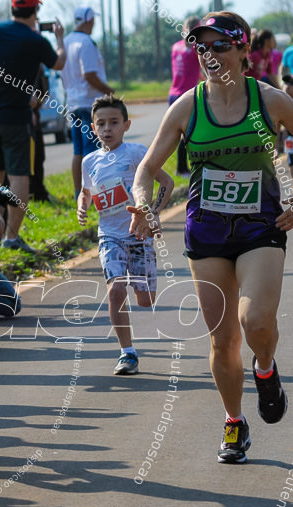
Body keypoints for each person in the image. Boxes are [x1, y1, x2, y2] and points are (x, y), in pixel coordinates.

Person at [130, 11, 293, 464]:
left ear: (243, 51)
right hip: (208, 231)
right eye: (202, 46)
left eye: (220, 46)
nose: (210, 54)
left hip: (262, 227)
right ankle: (234, 422)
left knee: (255, 323)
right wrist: (142, 201)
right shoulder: (186, 107)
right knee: (221, 341)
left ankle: (266, 367)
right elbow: (147, 167)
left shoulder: (268, 100)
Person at [77, 95, 173, 376]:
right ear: (93, 128)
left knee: (146, 300)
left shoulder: (136, 152)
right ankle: (127, 353)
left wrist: (153, 212)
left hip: (139, 236)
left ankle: (137, 282)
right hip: (109, 235)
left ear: (126, 125)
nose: (107, 129)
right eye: (101, 124)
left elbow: (166, 181)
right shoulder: (89, 161)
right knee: (115, 288)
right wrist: (82, 207)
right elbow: (85, 193)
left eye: (114, 123)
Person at [0, 0, 65, 251]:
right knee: (19, 176)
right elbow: (59, 63)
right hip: (14, 119)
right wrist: (59, 38)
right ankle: (11, 238)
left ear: (12, 8)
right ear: (36, 11)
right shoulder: (36, 41)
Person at [63, 6, 113, 200]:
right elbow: (89, 74)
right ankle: (94, 195)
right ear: (89, 21)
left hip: (73, 103)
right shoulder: (86, 42)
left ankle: (79, 193)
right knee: (92, 152)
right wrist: (109, 91)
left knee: (78, 151)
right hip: (89, 103)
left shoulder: (66, 41)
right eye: (93, 21)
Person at [168, 16, 200, 175]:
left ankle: (182, 168)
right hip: (187, 95)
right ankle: (183, 168)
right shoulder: (195, 49)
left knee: (179, 133)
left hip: (173, 93)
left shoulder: (175, 47)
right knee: (190, 133)